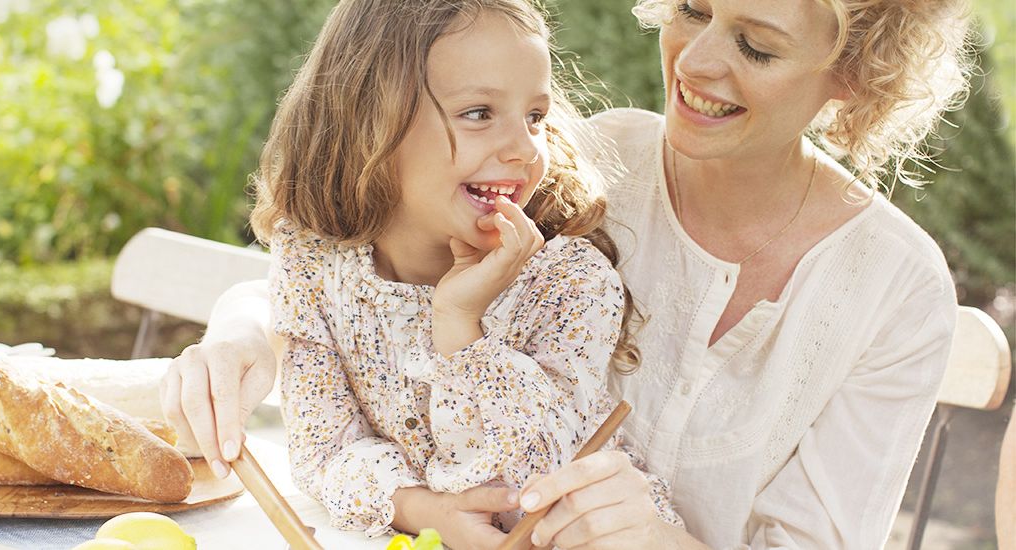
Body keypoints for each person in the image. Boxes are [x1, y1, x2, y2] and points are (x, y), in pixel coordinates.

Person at [162, 0, 975, 548]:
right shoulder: (591, 163)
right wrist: (244, 329)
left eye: (755, 45)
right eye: (691, 6)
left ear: (855, 77)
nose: (693, 60)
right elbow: (376, 259)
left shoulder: (892, 290)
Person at [179, 0, 681, 543]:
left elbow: (532, 478)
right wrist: (421, 509)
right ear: (370, 121)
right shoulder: (317, 264)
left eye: (535, 116)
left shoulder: (568, 282)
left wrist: (461, 327)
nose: (523, 150)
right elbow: (323, 452)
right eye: (479, 113)